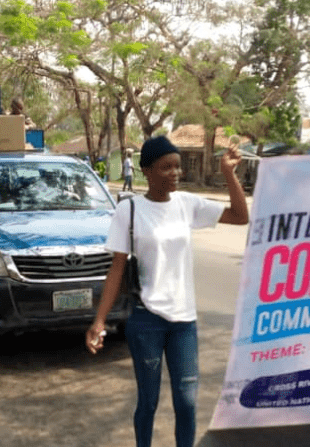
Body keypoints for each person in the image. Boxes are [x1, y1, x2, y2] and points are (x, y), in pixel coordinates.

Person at [85, 135, 249, 447]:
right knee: (148, 402)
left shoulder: (188, 204)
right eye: (165, 168)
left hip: (184, 322)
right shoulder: (129, 211)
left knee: (186, 403)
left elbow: (241, 216)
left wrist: (229, 173)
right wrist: (99, 321)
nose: (174, 173)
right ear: (146, 170)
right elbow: (117, 268)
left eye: (177, 167)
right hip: (146, 320)